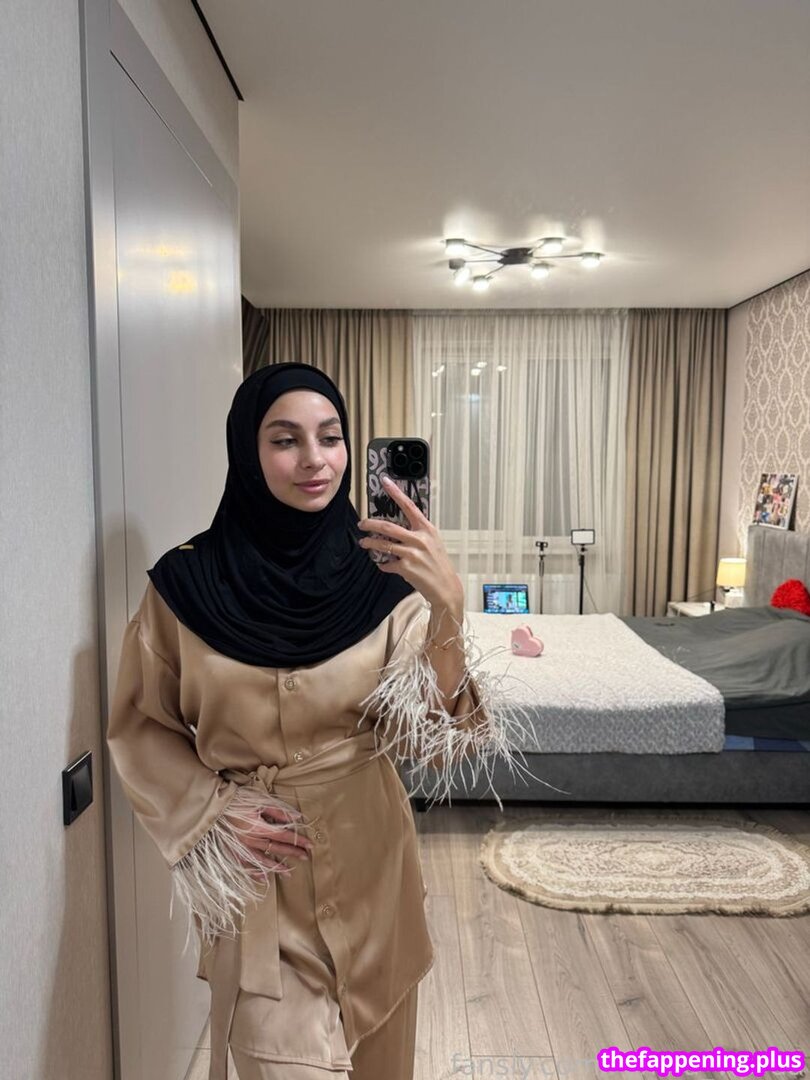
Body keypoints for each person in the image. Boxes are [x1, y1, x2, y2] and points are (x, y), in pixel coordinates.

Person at [106, 363, 537, 1080]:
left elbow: (433, 742)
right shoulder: (183, 588)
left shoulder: (385, 578)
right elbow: (141, 726)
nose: (315, 459)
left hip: (375, 873)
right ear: (248, 452)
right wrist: (210, 811)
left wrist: (447, 608)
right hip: (261, 881)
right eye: (285, 440)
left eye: (331, 438)